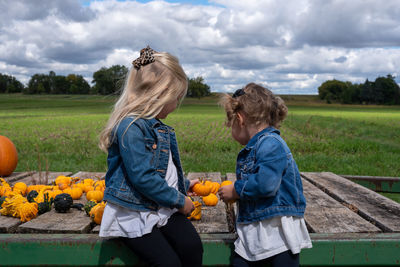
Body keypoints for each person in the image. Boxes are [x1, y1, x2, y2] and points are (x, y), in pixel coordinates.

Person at [98, 46, 203, 267]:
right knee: (167, 262)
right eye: (176, 97)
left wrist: (184, 184)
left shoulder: (156, 126)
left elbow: (162, 170)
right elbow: (142, 177)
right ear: (159, 95)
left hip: (159, 205)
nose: (177, 104)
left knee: (192, 246)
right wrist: (179, 200)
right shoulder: (130, 127)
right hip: (135, 211)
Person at [218, 83, 312, 267]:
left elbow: (265, 184)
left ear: (240, 119)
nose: (230, 129)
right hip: (257, 230)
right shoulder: (263, 144)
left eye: (230, 124)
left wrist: (236, 191)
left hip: (277, 237)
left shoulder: (271, 144)